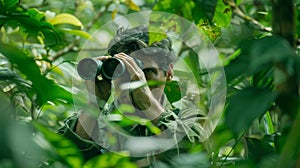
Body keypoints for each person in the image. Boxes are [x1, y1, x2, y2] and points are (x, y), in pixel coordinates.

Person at [58, 25, 206, 167]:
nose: (132, 80)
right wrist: (93, 104)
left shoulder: (189, 121)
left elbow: (196, 157)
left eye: (146, 72)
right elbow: (56, 161)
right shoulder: (91, 123)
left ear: (168, 73)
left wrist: (147, 101)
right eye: (122, 71)